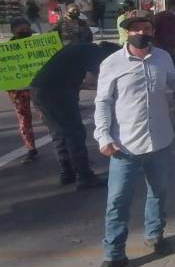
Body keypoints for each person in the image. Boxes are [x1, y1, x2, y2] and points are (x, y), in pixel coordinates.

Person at [89, 15, 175, 267]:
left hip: (161, 142)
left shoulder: (162, 57)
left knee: (159, 193)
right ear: (127, 33)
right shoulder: (112, 63)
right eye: (135, 29)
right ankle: (115, 255)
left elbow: (174, 81)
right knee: (117, 201)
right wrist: (103, 136)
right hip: (124, 146)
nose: (141, 32)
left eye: (146, 28)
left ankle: (155, 235)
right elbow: (103, 102)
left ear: (153, 31)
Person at [30, 40, 121, 188]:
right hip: (57, 91)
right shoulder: (95, 53)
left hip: (38, 89)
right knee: (74, 133)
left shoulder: (81, 48)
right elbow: (92, 80)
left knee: (58, 133)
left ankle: (67, 173)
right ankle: (84, 176)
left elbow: (81, 81)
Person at [6, 18, 38, 163]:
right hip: (17, 90)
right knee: (24, 119)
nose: (26, 32)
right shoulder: (7, 50)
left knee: (47, 116)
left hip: (37, 87)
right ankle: (30, 148)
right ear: (13, 31)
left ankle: (60, 145)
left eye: (27, 29)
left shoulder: (38, 44)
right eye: (21, 30)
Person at [153, 0, 175, 75]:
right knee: (161, 73)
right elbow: (151, 35)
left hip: (173, 50)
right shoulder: (159, 18)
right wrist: (159, 49)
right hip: (160, 51)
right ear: (171, 6)